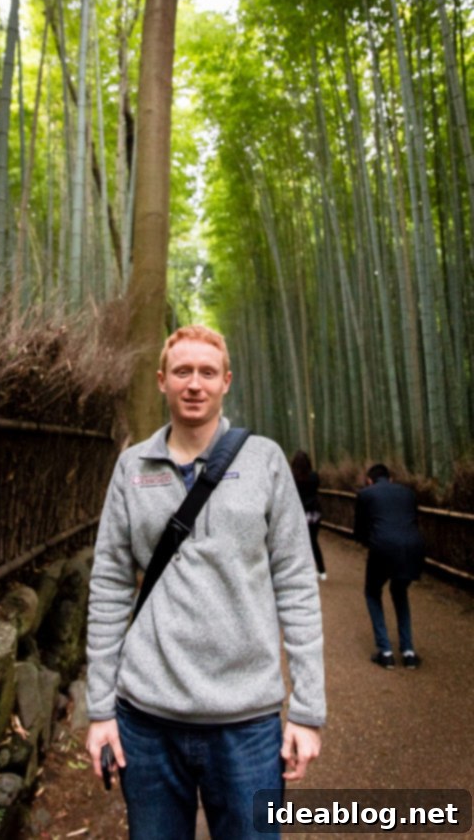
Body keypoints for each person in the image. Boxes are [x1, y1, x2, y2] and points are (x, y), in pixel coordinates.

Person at [84, 325, 325, 840]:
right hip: (146, 720)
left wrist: (307, 711)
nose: (195, 384)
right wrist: (100, 709)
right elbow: (108, 587)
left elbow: (298, 585)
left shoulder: (265, 461)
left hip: (248, 723)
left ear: (226, 382)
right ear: (161, 381)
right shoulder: (132, 467)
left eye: (207, 373)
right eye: (183, 372)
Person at [353, 463, 425, 670]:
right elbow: (412, 522)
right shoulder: (408, 493)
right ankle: (408, 652)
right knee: (400, 591)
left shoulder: (366, 494)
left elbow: (359, 530)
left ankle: (385, 651)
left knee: (372, 592)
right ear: (390, 478)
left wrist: (370, 542)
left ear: (369, 480)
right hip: (413, 547)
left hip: (383, 547)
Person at [291, 450, 327, 580]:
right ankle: (322, 571)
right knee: (313, 541)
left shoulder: (292, 477)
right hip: (315, 511)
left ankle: (305, 570)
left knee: (300, 542)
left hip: (301, 512)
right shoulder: (314, 476)